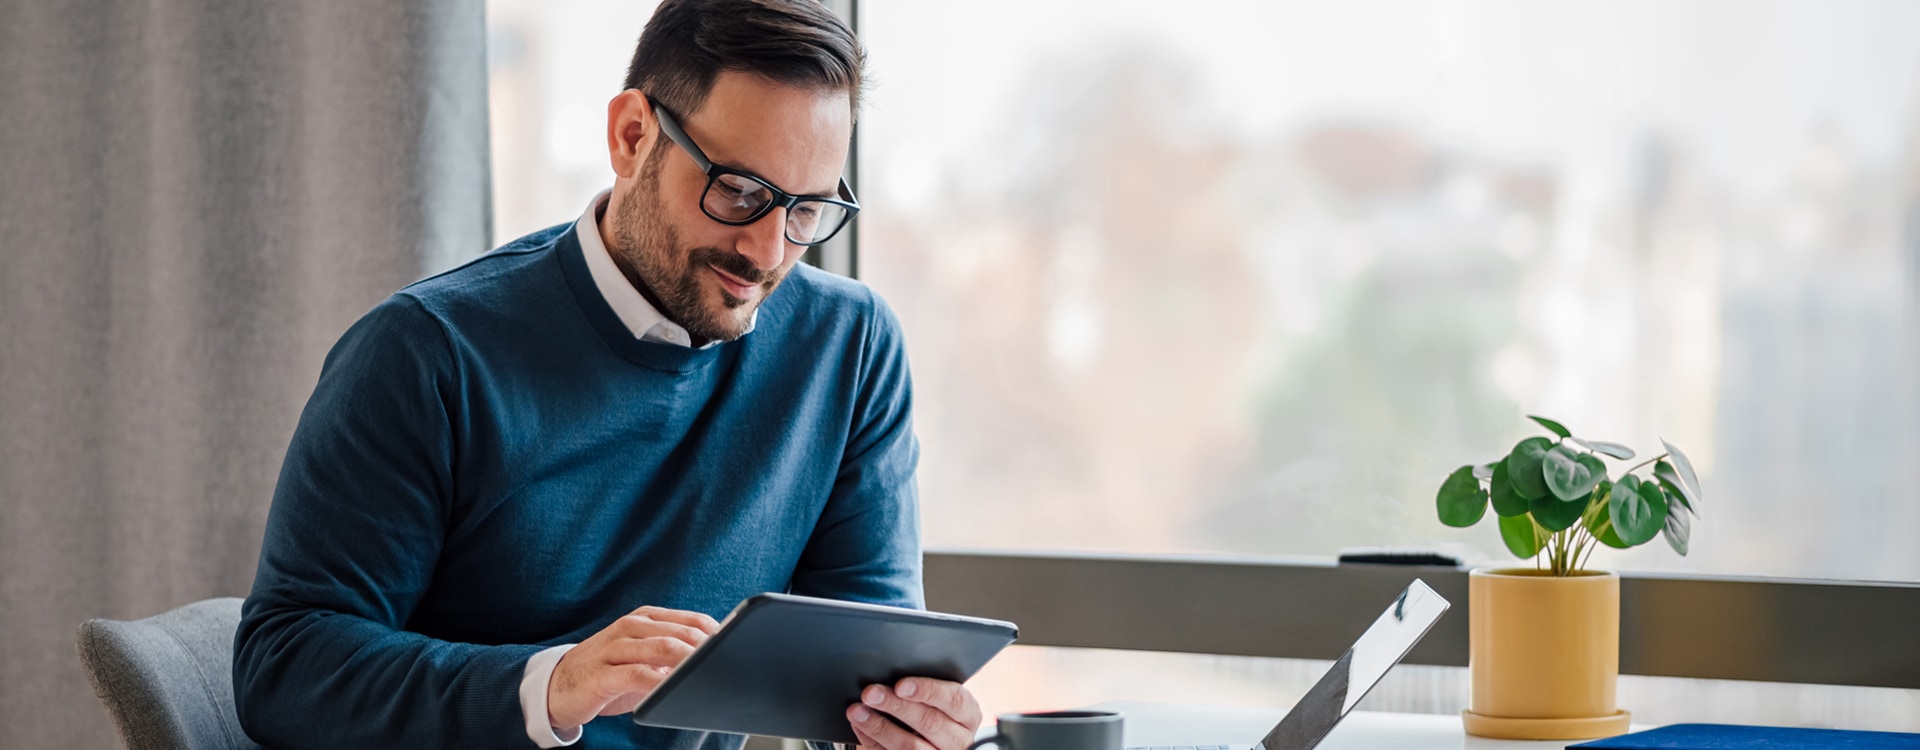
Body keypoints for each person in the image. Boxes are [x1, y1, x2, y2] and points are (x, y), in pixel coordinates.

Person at [231, 1, 982, 748]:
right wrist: (551, 686)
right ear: (632, 136)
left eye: (807, 210)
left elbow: (867, 680)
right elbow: (284, 668)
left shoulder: (849, 349)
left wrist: (905, 724)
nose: (768, 249)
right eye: (740, 192)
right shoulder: (426, 353)